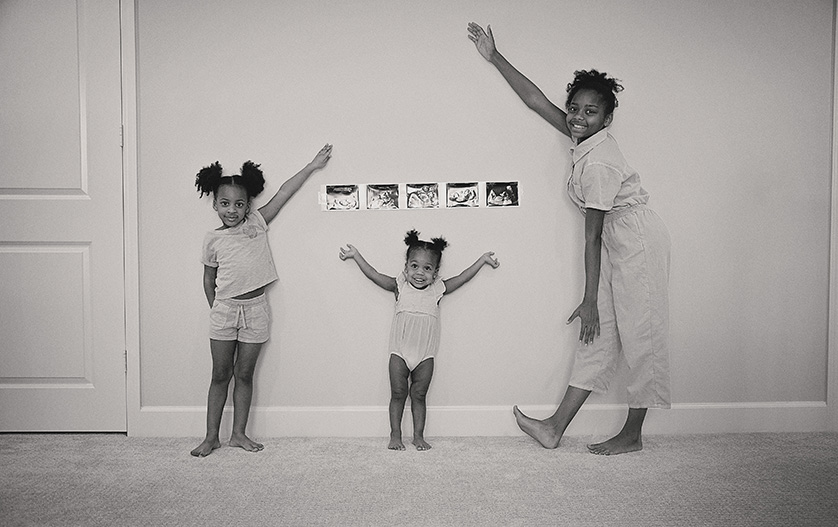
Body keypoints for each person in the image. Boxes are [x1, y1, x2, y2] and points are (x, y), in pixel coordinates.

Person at [468, 22, 671, 455]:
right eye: (574, 108)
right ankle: (554, 427)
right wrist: (494, 56)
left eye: (590, 112)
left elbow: (592, 235)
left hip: (634, 239)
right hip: (617, 238)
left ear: (607, 118)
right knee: (596, 336)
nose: (577, 118)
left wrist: (588, 297)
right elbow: (535, 101)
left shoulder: (599, 162)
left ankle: (633, 435)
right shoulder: (585, 140)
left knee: (641, 334)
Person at [191, 144, 333, 457]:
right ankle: (211, 436)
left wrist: (311, 166)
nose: (232, 210)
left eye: (239, 204)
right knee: (219, 375)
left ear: (247, 206)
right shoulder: (212, 239)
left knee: (244, 375)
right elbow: (208, 279)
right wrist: (216, 306)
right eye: (225, 203)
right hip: (224, 311)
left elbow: (283, 193)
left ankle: (238, 434)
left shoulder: (256, 223)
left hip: (255, 310)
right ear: (215, 204)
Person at [339, 230, 499, 450]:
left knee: (419, 395)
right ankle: (395, 434)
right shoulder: (400, 287)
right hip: (400, 353)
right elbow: (374, 275)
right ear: (405, 268)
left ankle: (418, 436)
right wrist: (356, 256)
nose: (420, 273)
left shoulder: (437, 291)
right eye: (414, 266)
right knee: (397, 394)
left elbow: (462, 277)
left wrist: (481, 261)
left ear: (435, 273)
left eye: (427, 268)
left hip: (425, 355)